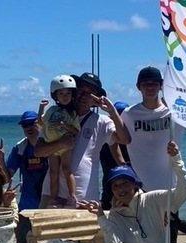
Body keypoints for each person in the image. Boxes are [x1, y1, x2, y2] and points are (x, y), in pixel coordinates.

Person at [79, 141, 186, 243]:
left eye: (125, 183)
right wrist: (101, 216)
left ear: (135, 184)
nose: (121, 189)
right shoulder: (115, 214)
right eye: (116, 186)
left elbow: (184, 191)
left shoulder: (154, 198)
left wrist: (176, 159)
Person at [34, 72, 130, 205]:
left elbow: (125, 140)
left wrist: (112, 111)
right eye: (81, 90)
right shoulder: (54, 116)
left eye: (90, 92)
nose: (84, 95)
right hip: (52, 194)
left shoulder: (102, 121)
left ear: (96, 98)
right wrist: (61, 144)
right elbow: (38, 151)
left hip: (85, 197)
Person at [117, 66, 182, 243]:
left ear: (161, 86)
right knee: (144, 238)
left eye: (154, 84)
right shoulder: (129, 114)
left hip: (169, 185)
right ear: (138, 87)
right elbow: (120, 138)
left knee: (170, 237)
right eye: (146, 84)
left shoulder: (175, 113)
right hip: (141, 188)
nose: (150, 87)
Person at [0, 110, 49, 243]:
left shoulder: (50, 143)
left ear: (40, 123)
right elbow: (6, 177)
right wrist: (0, 159)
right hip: (27, 205)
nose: (29, 127)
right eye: (25, 125)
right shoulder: (20, 148)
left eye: (32, 123)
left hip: (49, 205)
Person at [38, 75, 81, 206]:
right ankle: (53, 198)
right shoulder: (52, 110)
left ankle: (72, 196)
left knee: (66, 169)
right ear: (55, 95)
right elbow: (40, 122)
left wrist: (64, 125)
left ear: (72, 95)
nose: (65, 96)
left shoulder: (73, 113)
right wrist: (41, 107)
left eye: (68, 93)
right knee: (53, 172)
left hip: (65, 146)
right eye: (61, 93)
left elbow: (76, 130)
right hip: (52, 145)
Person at [99, 100, 131, 210]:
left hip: (124, 182)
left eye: (122, 115)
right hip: (110, 183)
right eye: (117, 115)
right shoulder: (107, 134)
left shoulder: (131, 136)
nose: (120, 118)